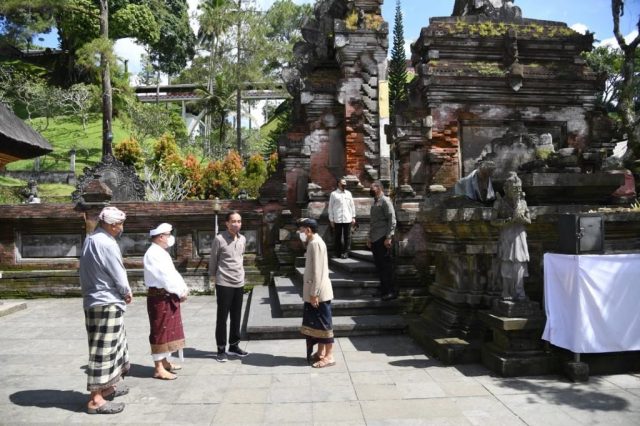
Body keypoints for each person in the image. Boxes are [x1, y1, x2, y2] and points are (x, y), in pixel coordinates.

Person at [79, 206, 132, 415]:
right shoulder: (107, 243)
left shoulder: (91, 239)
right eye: (119, 224)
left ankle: (107, 387)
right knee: (103, 350)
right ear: (110, 225)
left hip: (94, 299)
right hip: (106, 300)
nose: (121, 228)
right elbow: (118, 272)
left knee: (112, 345)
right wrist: (126, 291)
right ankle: (96, 400)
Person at [144, 223, 189, 380]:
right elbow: (164, 277)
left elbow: (173, 273)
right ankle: (158, 368)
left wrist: (182, 288)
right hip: (160, 296)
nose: (171, 237)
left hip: (168, 295)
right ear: (161, 237)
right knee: (160, 330)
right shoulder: (153, 254)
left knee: (168, 329)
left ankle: (164, 361)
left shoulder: (161, 252)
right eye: (168, 234)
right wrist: (179, 291)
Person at [209, 211, 249, 362]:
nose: (236, 224)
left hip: (239, 282)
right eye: (233, 221)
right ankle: (221, 349)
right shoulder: (219, 239)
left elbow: (240, 258)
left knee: (236, 316)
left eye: (239, 221)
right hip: (224, 282)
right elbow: (214, 259)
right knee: (222, 317)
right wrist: (213, 278)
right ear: (226, 223)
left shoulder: (243, 239)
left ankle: (234, 345)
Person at [297, 218, 335, 368]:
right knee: (316, 325)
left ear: (308, 230)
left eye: (301, 230)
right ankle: (320, 352)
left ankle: (330, 355)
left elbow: (318, 272)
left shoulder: (316, 243)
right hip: (314, 291)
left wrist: (314, 293)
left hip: (319, 293)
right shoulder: (312, 242)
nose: (300, 233)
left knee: (324, 324)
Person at [491, 172, 530, 301]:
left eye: (519, 188)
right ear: (506, 189)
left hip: (519, 234)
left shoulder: (523, 203)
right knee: (506, 263)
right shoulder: (499, 203)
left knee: (519, 264)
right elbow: (493, 221)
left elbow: (529, 221)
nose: (518, 191)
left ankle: (520, 291)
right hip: (507, 235)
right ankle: (506, 291)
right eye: (515, 189)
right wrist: (507, 221)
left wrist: (521, 218)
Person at [367, 181, 397, 301]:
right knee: (379, 266)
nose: (370, 189)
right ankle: (383, 289)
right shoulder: (375, 202)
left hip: (382, 238)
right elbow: (373, 222)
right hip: (375, 237)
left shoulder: (385, 201)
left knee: (385, 266)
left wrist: (389, 236)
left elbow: (392, 219)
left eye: (372, 187)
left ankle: (390, 291)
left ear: (379, 188)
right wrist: (369, 237)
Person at [328, 177, 356, 259]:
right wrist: (331, 219)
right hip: (337, 218)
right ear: (339, 184)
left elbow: (352, 205)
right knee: (337, 236)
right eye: (343, 183)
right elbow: (330, 207)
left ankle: (346, 252)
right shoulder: (334, 194)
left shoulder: (349, 193)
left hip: (347, 218)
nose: (344, 184)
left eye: (345, 183)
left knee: (347, 236)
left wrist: (353, 217)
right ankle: (338, 252)